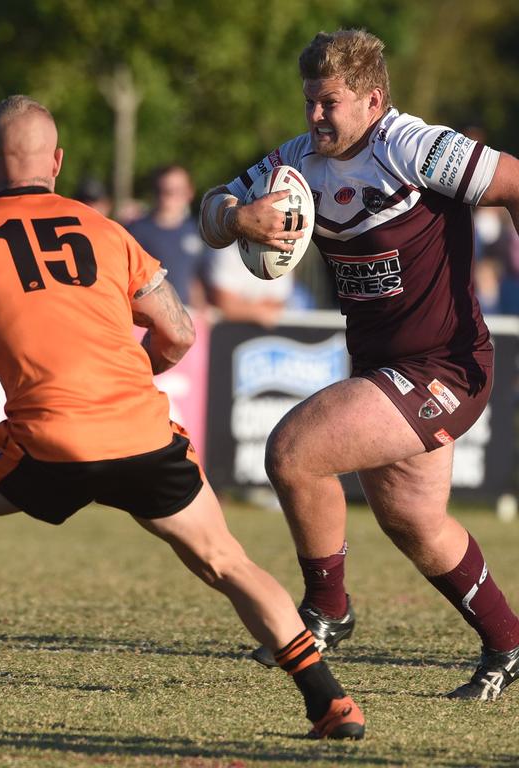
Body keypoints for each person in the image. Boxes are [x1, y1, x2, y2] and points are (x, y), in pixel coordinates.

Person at [0, 95, 364, 739]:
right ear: (56, 161)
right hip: (145, 435)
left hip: (50, 443)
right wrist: (132, 379)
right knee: (227, 561)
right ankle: (330, 700)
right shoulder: (107, 231)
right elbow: (180, 333)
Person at [199, 29, 519, 701]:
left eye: (330, 103)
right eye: (309, 102)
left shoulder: (415, 147)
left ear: (373, 100)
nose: (315, 117)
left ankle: (327, 610)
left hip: (446, 365)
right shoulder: (299, 160)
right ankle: (508, 644)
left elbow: (515, 180)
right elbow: (212, 208)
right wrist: (238, 219)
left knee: (292, 450)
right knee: (415, 524)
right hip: (383, 364)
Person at [128, 165, 214, 309]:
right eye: (165, 191)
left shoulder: (199, 232)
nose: (169, 196)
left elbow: (200, 279)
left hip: (187, 314)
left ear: (189, 192)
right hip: (144, 314)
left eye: (177, 190)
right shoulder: (135, 231)